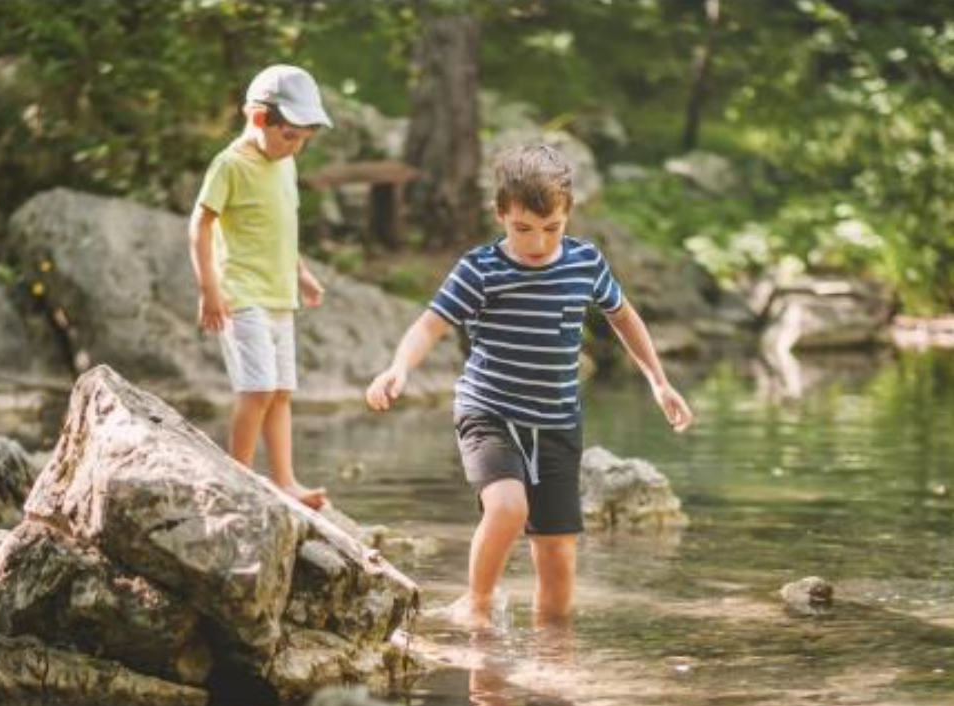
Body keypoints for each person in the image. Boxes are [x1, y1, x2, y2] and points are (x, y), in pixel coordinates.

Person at [366, 143, 693, 626]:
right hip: (489, 412)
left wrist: (658, 381)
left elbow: (623, 317)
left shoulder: (584, 262)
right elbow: (429, 325)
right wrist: (399, 368)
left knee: (558, 555)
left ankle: (552, 657)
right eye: (523, 229)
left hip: (557, 421)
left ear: (568, 214)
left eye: (551, 228)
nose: (538, 242)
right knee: (506, 508)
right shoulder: (481, 269)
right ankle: (476, 606)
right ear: (501, 213)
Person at [189, 64, 332, 509]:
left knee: (281, 392)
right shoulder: (230, 165)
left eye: (304, 139)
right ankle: (240, 478)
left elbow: (279, 229)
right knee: (258, 390)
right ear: (257, 118)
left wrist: (301, 274)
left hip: (279, 296)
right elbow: (200, 226)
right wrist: (210, 289)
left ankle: (285, 481)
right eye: (288, 136)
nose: (295, 147)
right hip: (241, 295)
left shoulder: (284, 165)